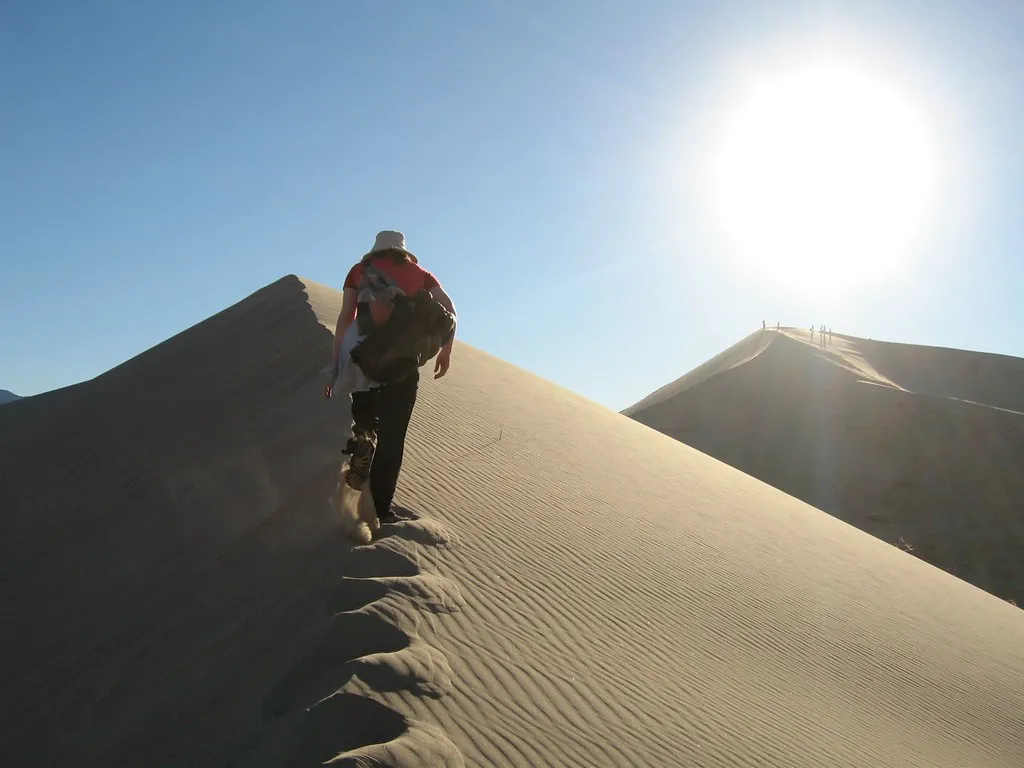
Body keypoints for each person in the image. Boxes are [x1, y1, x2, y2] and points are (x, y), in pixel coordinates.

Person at [324, 230, 457, 524]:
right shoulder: (422, 275)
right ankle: (381, 510)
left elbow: (346, 317)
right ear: (403, 250)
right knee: (393, 439)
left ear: (376, 249)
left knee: (365, 424)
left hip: (363, 361)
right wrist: (445, 353)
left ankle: (362, 446)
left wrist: (336, 365)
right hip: (402, 366)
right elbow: (450, 311)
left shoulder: (358, 272)